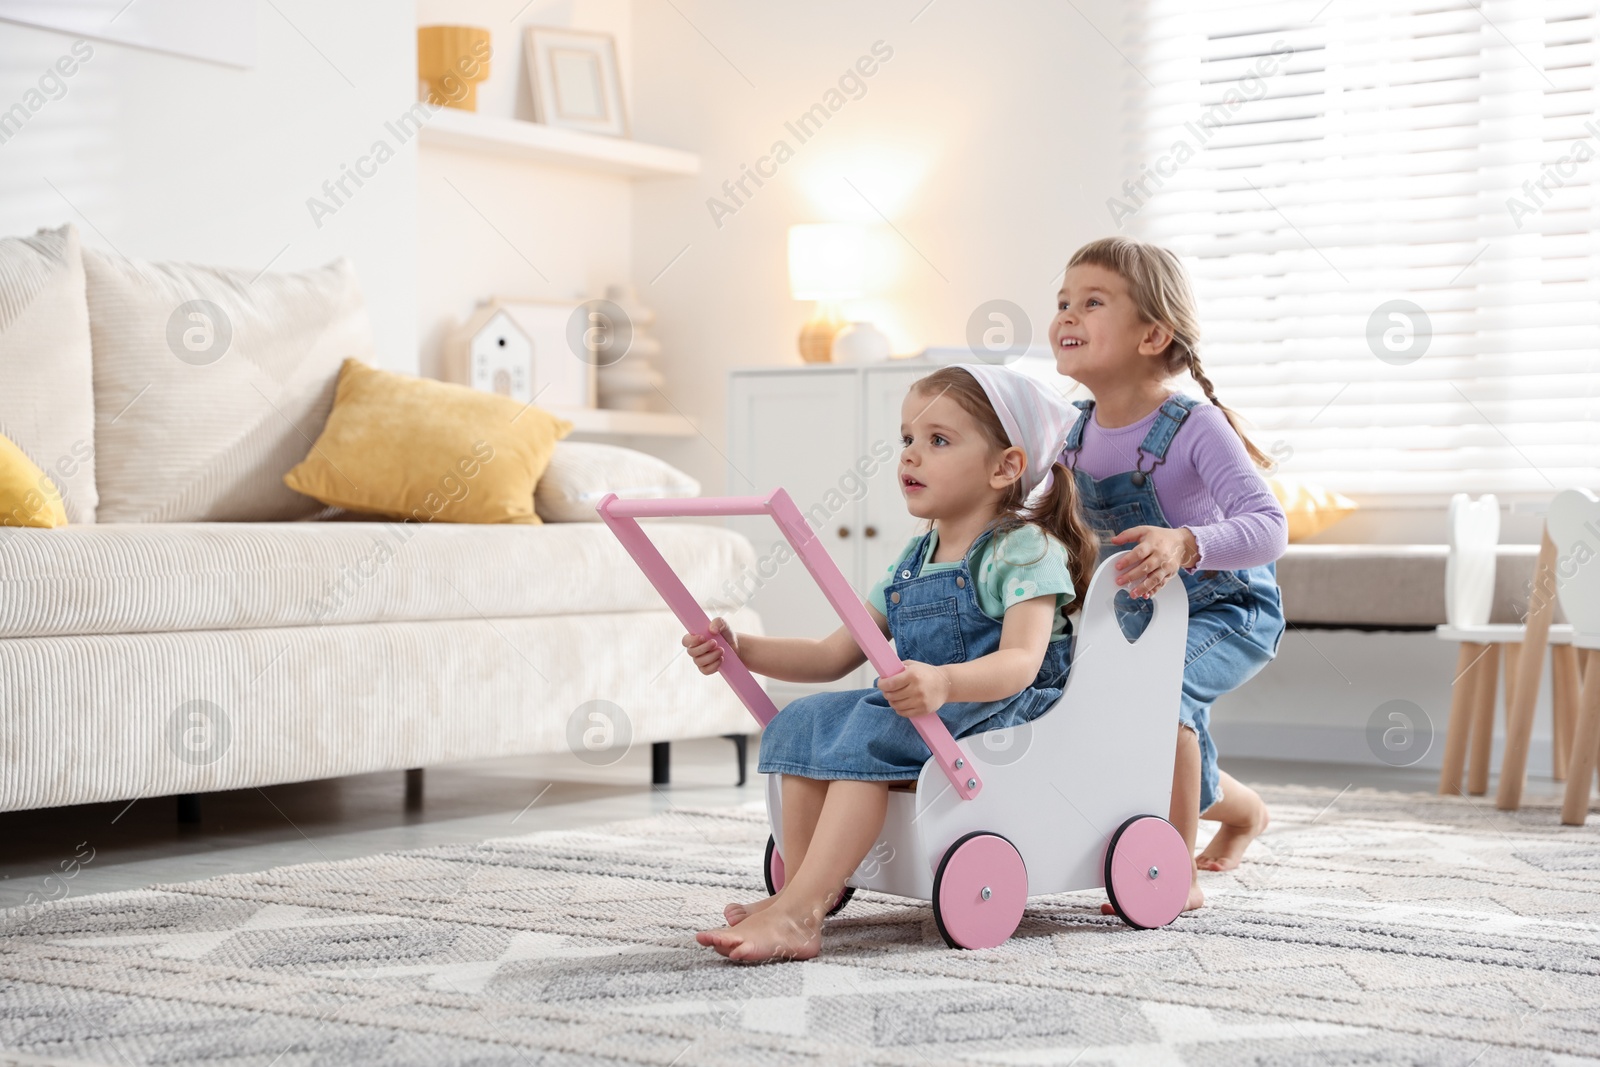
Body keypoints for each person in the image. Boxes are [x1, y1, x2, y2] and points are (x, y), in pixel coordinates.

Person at [681, 363, 1093, 962]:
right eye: (906, 439)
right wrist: (742, 650)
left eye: (938, 441)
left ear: (1005, 466)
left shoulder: (1023, 549)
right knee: (806, 722)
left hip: (996, 712)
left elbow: (1023, 664)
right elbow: (831, 655)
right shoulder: (912, 557)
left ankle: (799, 914)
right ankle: (802, 891)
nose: (911, 457)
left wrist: (945, 681)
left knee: (864, 744)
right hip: (921, 711)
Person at [1052, 235, 1288, 912]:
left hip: (1230, 606)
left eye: (1092, 301)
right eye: (1063, 300)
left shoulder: (1193, 426)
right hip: (1139, 610)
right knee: (1106, 712)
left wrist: (1187, 542)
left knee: (1160, 699)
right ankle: (1241, 810)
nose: (1068, 314)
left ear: (1153, 333)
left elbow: (1268, 526)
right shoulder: (1069, 433)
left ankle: (1172, 870)